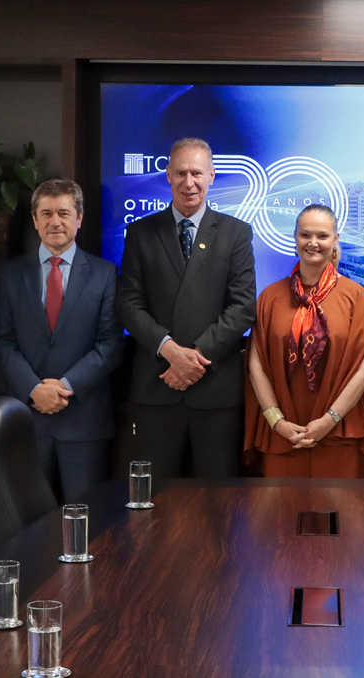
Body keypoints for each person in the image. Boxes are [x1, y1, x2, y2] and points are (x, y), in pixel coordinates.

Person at [117, 138, 257, 480]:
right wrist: (170, 351)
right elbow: (127, 303)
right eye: (180, 172)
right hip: (156, 388)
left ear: (212, 176)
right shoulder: (140, 233)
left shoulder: (235, 233)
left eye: (197, 173)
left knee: (216, 505)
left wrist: (193, 358)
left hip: (214, 391)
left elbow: (243, 307)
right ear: (167, 175)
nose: (188, 182)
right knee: (154, 503)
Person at [0, 178, 124, 502]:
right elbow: (3, 342)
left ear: (79, 219)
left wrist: (65, 385)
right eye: (47, 213)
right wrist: (35, 389)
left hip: (83, 421)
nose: (55, 222)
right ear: (35, 220)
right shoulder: (10, 274)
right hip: (26, 420)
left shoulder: (105, 274)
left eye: (64, 213)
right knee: (27, 524)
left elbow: (110, 344)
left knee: (87, 523)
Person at [245, 205, 364, 478]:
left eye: (322, 236)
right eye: (305, 235)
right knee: (278, 519)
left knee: (343, 518)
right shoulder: (270, 297)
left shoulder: (356, 296)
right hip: (283, 433)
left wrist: (328, 421)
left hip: (339, 432)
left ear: (335, 240)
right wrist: (277, 422)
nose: (313, 243)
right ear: (295, 238)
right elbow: (256, 366)